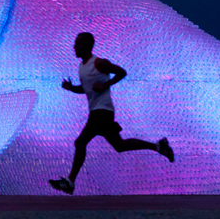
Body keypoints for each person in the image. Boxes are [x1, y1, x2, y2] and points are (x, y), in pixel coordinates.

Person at [49, 32, 174, 195]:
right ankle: (159, 146)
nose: (74, 47)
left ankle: (70, 182)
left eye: (78, 44)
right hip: (99, 111)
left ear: (87, 46)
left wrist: (106, 84)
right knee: (120, 146)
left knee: (80, 142)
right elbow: (86, 89)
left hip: (102, 111)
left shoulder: (99, 63)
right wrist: (71, 88)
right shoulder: (82, 67)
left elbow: (122, 72)